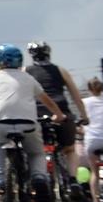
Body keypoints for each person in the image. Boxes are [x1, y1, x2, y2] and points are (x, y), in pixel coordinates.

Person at [0, 44, 66, 202]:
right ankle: (39, 177)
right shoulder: (28, 78)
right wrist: (59, 115)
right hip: (28, 123)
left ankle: (1, 178)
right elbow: (47, 100)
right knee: (36, 153)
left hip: (0, 122)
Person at [24, 41, 87, 189]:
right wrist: (84, 116)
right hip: (61, 113)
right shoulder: (61, 71)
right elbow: (76, 97)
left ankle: (34, 178)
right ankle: (73, 180)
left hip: (36, 115)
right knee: (70, 149)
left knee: (32, 150)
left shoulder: (25, 71)